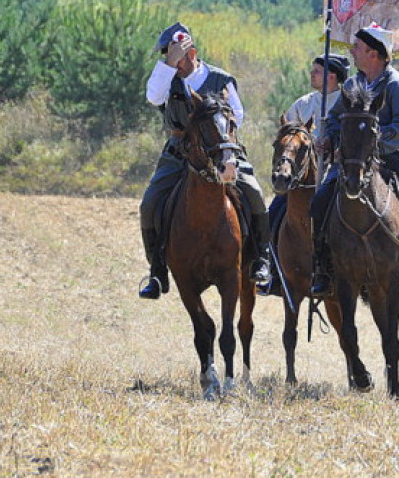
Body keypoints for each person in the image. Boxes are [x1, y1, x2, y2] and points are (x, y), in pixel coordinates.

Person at [309, 24, 399, 297]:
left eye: (357, 48)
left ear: (373, 54)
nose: (352, 52)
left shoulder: (398, 84)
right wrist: (332, 139)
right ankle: (323, 266)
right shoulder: (352, 85)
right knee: (320, 200)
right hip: (352, 159)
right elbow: (335, 118)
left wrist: (373, 144)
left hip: (392, 154)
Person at [138, 22, 271, 299]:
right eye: (168, 57)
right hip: (179, 151)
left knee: (254, 192)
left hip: (221, 149)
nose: (173, 62)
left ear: (192, 53)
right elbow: (153, 97)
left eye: (177, 56)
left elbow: (238, 115)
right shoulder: (166, 78)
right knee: (150, 202)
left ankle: (261, 258)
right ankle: (157, 270)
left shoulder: (221, 79)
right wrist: (169, 65)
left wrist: (218, 138)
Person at [259, 53, 348, 297]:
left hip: (336, 170)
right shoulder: (303, 103)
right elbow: (287, 134)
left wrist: (332, 146)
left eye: (317, 71)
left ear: (332, 75)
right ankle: (272, 270)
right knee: (273, 212)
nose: (312, 74)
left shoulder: (346, 103)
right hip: (302, 177)